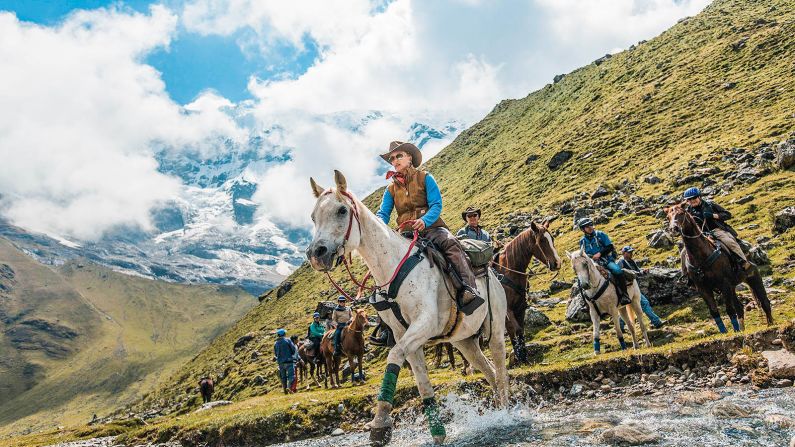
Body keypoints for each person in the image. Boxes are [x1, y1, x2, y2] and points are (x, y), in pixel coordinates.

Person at [376, 140, 483, 314]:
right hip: (405, 234)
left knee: (451, 244)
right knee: (383, 258)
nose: (395, 160)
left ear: (409, 158)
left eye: (399, 156)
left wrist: (425, 221)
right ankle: (386, 317)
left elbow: (436, 205)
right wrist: (378, 224)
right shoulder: (390, 190)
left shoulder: (425, 177)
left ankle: (468, 289)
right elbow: (383, 213)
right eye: (392, 158)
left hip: (432, 229)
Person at [681, 187, 753, 274]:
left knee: (730, 242)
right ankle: (685, 275)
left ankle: (743, 262)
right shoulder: (688, 211)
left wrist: (713, 215)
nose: (692, 201)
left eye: (694, 198)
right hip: (700, 235)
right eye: (689, 199)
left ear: (699, 197)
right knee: (683, 253)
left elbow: (727, 215)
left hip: (717, 230)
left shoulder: (710, 204)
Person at [577, 217, 631, 305]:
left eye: (590, 225)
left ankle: (624, 295)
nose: (590, 227)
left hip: (607, 261)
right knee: (580, 280)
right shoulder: (582, 241)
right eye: (587, 226)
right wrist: (590, 257)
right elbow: (583, 254)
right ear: (583, 229)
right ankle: (585, 303)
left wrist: (600, 254)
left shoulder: (601, 234)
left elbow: (610, 247)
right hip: (592, 264)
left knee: (617, 271)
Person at [617, 246, 665, 329]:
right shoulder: (620, 262)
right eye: (629, 252)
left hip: (634, 288)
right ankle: (657, 322)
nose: (631, 254)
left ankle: (620, 326)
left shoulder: (631, 261)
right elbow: (619, 274)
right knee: (642, 303)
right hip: (626, 289)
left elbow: (637, 271)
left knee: (632, 306)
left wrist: (642, 271)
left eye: (631, 252)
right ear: (624, 253)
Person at [273, 328, 296, 394]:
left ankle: (285, 391)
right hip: (289, 361)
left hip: (280, 362)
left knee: (283, 377)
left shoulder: (275, 343)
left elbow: (275, 354)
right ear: (284, 334)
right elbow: (293, 350)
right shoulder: (288, 340)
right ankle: (288, 387)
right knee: (291, 376)